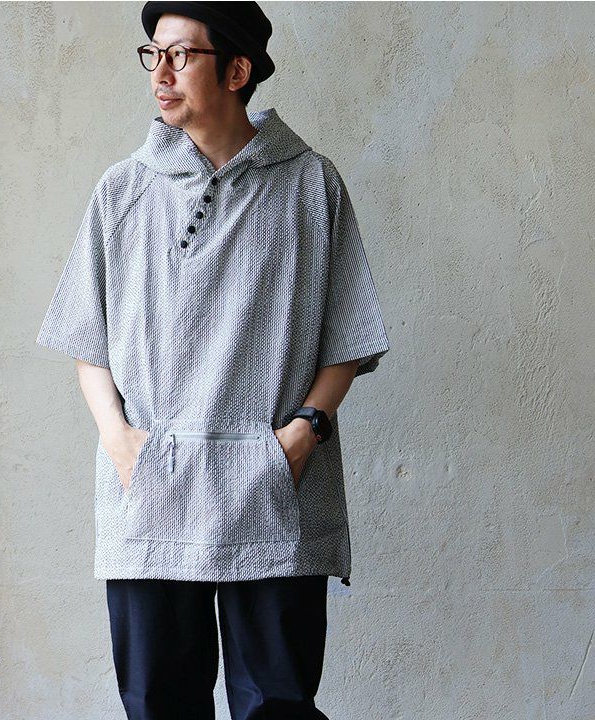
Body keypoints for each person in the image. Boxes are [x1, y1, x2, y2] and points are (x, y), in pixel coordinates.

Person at [35, 2, 390, 718]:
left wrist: (301, 436)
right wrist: (121, 442)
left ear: (237, 70)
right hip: (151, 484)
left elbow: (347, 337)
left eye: (181, 55)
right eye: (153, 54)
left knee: (278, 706)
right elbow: (86, 338)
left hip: (273, 482)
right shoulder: (122, 189)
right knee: (159, 703)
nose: (160, 74)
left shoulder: (310, 183)